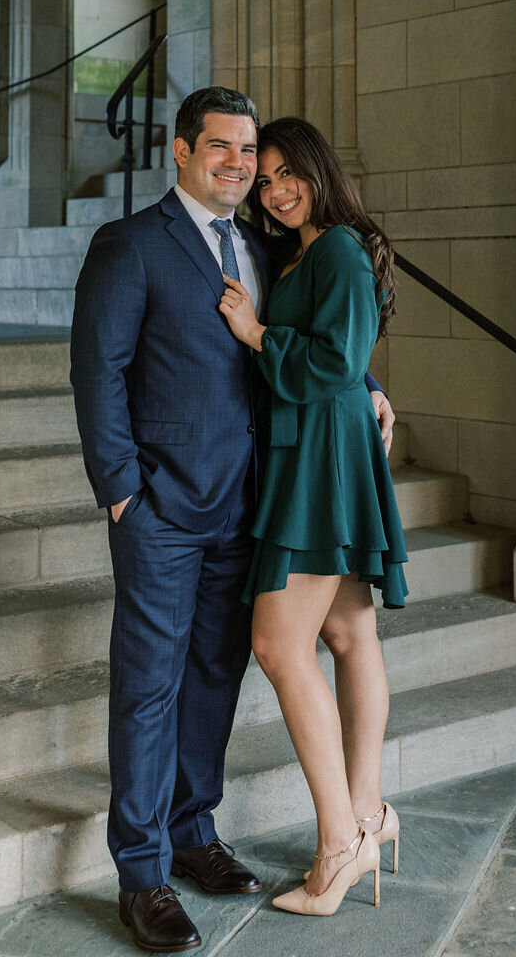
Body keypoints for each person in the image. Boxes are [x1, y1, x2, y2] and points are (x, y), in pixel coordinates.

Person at [70, 86, 394, 953]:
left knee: (216, 674)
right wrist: (121, 491)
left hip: (252, 501)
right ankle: (141, 872)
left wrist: (365, 387)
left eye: (249, 153)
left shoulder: (266, 244)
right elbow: (97, 372)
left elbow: (310, 334)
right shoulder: (130, 244)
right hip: (163, 507)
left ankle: (192, 832)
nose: (240, 166)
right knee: (149, 688)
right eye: (222, 148)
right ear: (180, 151)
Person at [217, 115, 407, 919]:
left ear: (321, 170)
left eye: (289, 172)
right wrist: (368, 385)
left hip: (321, 457)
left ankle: (339, 844)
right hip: (320, 446)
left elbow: (330, 360)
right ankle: (368, 815)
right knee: (346, 635)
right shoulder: (306, 252)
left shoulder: (335, 248)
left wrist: (256, 332)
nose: (277, 189)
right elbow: (347, 354)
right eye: (265, 180)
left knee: (277, 643)